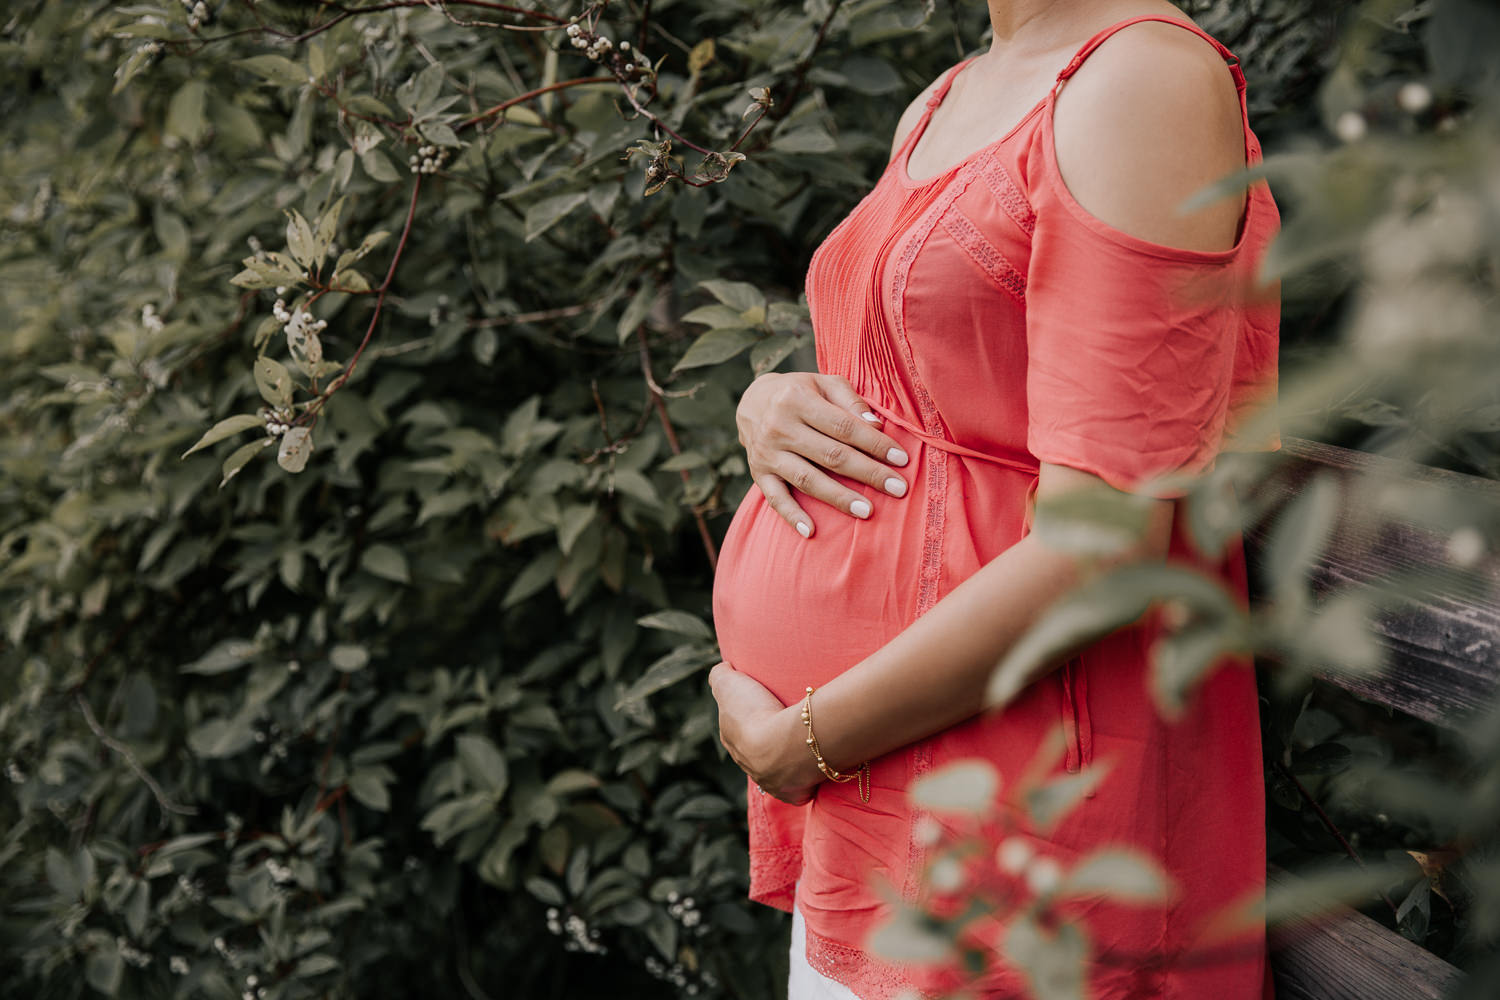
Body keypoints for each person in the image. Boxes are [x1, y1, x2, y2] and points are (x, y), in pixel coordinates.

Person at [708, 0, 1281, 997]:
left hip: (1019, 802)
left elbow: (1103, 540)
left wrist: (803, 740)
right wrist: (769, 398)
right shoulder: (951, 93)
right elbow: (925, 386)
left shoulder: (1141, 81)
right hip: (880, 796)